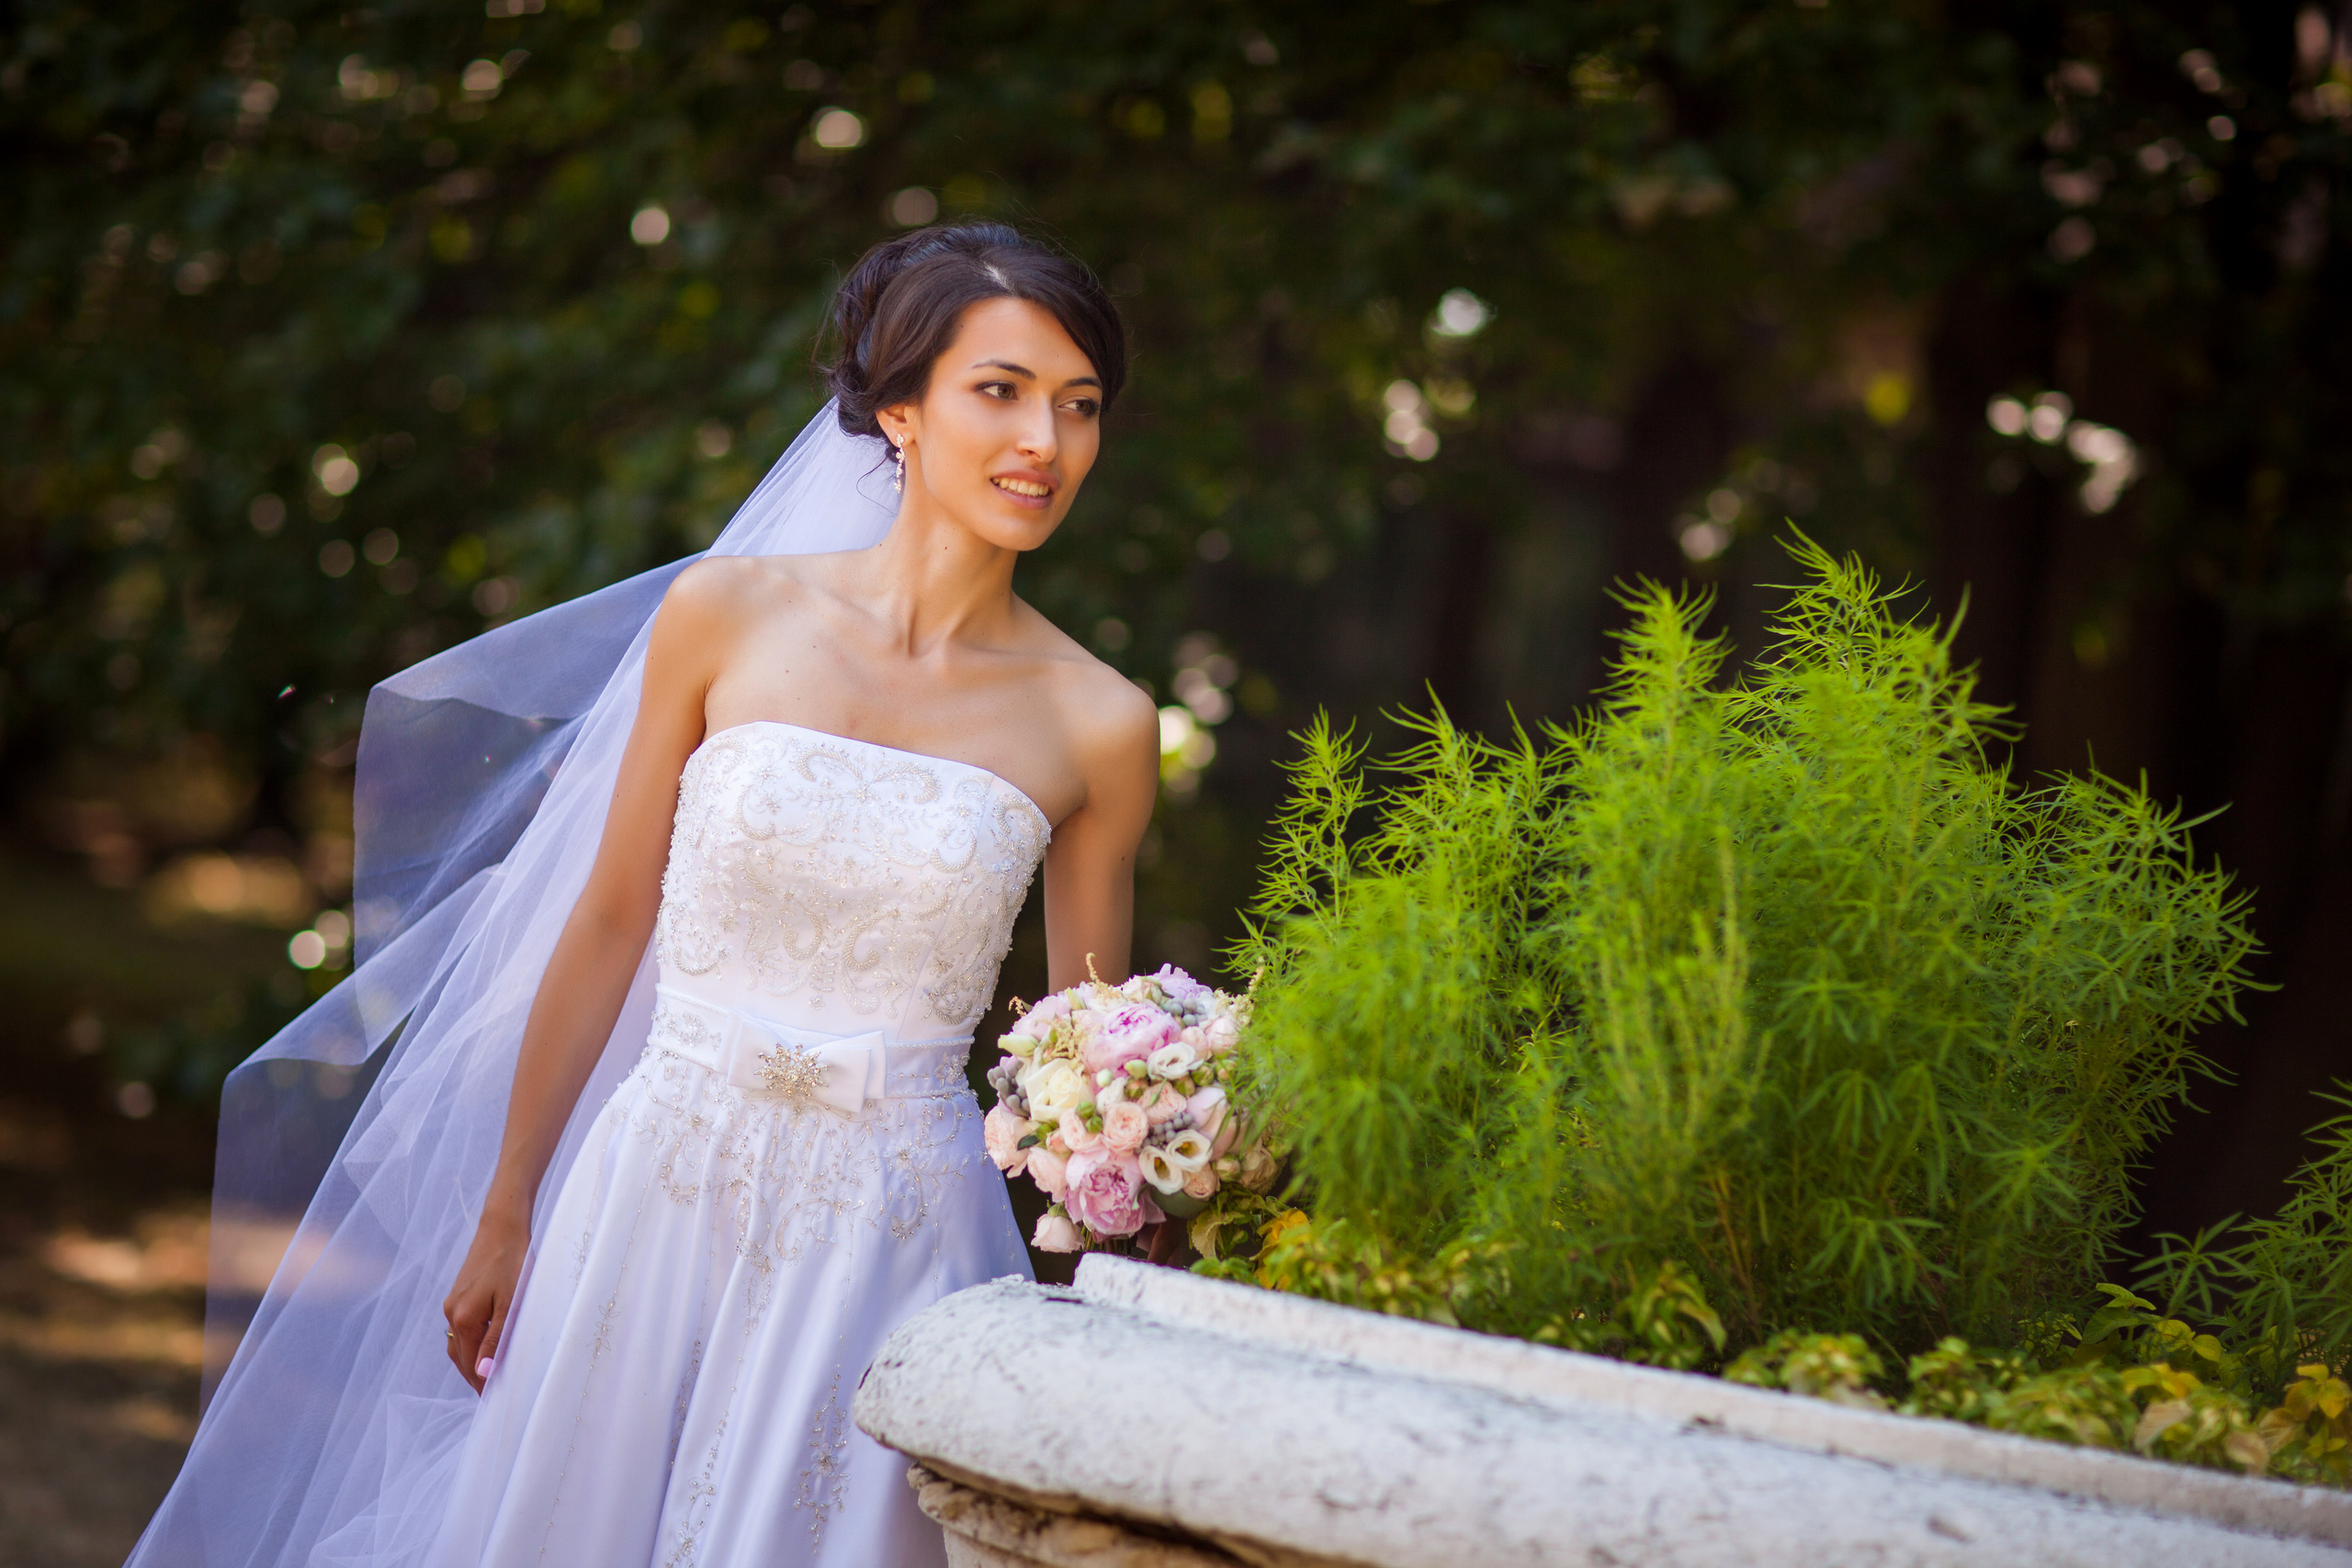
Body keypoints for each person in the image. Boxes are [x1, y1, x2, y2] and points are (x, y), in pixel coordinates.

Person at [127, 222, 1159, 1567]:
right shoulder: (725, 615)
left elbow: (1083, 1071)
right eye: (1002, 391)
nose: (1046, 442)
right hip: (652, 1190)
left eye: (1080, 409)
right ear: (899, 409)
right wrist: (510, 1202)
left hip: (896, 1240)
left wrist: (1082, 1296)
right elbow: (611, 918)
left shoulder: (1101, 721)